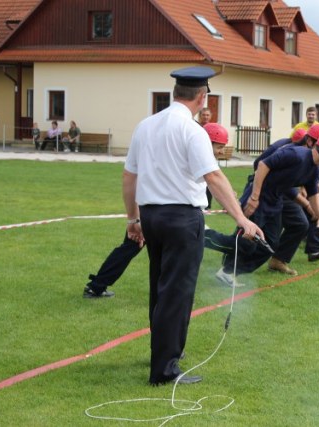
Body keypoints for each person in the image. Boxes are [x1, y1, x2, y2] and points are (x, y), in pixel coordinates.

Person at [122, 66, 262, 386]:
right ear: (202, 97)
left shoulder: (146, 125)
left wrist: (133, 219)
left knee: (160, 287)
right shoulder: (193, 131)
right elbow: (213, 176)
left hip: (151, 216)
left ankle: (163, 351)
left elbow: (130, 176)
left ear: (176, 93)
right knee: (176, 292)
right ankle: (164, 369)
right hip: (181, 219)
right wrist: (241, 219)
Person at [83, 123, 258, 298]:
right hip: (176, 218)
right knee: (215, 243)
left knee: (130, 248)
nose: (221, 152)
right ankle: (240, 250)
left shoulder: (191, 155)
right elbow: (210, 181)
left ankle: (96, 286)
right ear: (208, 142)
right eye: (219, 147)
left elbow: (209, 184)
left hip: (152, 213)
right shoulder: (194, 155)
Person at [216, 131, 319, 285]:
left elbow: (313, 192)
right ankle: (216, 252)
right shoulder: (296, 154)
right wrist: (254, 197)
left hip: (275, 202)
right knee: (247, 239)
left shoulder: (315, 168)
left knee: (269, 246)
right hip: (259, 198)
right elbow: (262, 165)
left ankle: (231, 270)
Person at [197, 108, 214, 208]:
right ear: (200, 116)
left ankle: (208, 205)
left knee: (210, 181)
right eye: (204, 115)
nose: (206, 117)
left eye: (207, 115)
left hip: (210, 157)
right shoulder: (196, 126)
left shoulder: (212, 129)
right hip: (199, 158)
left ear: (210, 116)